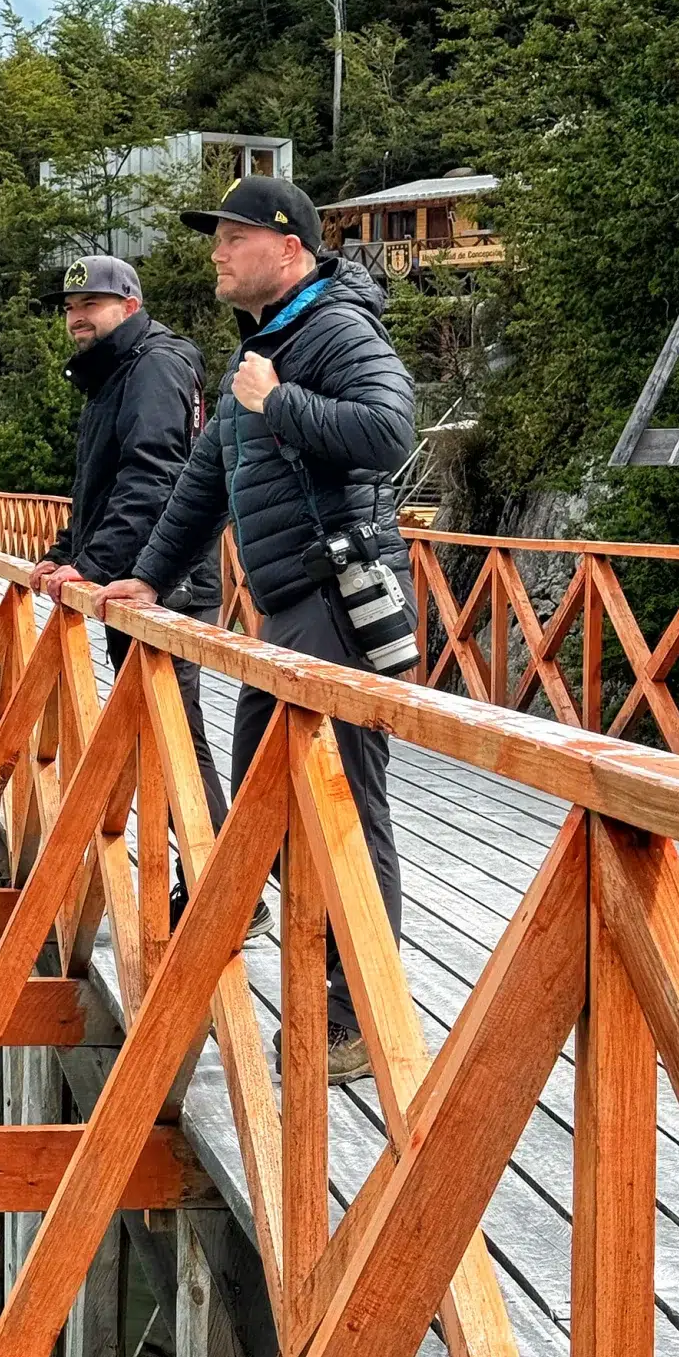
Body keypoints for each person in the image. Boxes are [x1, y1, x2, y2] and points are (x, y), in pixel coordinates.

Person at [96, 179, 416, 1084]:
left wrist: (280, 403)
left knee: (343, 809)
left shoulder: (334, 329)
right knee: (264, 811)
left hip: (339, 600)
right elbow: (205, 481)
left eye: (232, 238)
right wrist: (148, 577)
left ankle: (354, 1021)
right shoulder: (266, 346)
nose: (216, 254)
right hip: (287, 611)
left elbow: (391, 431)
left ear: (289, 247)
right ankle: (314, 989)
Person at [28, 253, 244, 927]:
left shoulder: (150, 366)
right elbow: (101, 483)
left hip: (163, 586)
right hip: (138, 580)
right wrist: (66, 553)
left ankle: (222, 895)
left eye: (90, 304)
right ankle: (215, 885)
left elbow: (153, 481)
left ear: (129, 305)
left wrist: (92, 566)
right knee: (166, 737)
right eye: (69, 308)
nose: (76, 317)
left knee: (174, 738)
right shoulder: (114, 374)